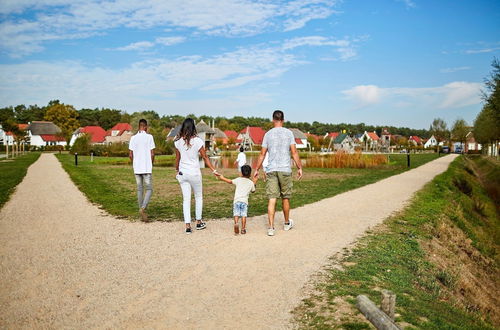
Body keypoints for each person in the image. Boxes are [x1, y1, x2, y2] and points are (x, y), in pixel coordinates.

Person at [254, 110, 303, 236]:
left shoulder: (268, 134)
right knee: (285, 198)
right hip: (285, 169)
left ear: (273, 120)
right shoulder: (289, 133)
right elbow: (294, 152)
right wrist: (299, 167)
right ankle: (287, 224)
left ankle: (271, 228)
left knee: (272, 199)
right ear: (283, 120)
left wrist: (256, 169)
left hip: (271, 170)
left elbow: (262, 154)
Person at [174, 118, 220, 234]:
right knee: (198, 197)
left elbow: (177, 159)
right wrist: (213, 170)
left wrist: (176, 170)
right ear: (193, 127)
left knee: (186, 199)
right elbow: (205, 157)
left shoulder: (178, 142)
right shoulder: (198, 141)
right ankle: (199, 223)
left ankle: (188, 227)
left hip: (183, 174)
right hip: (194, 173)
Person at [217, 165, 258, 235]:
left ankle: (236, 223)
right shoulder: (251, 182)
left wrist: (222, 178)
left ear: (241, 173)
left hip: (236, 201)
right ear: (250, 173)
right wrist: (254, 182)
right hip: (244, 202)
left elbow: (230, 181)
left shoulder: (238, 179)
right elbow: (253, 191)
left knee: (236, 214)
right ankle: (243, 229)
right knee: (243, 215)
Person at [129, 119, 155, 222]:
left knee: (140, 189)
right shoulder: (149, 137)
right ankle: (143, 208)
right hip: (146, 167)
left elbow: (130, 155)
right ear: (145, 127)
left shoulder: (133, 138)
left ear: (139, 126)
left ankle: (141, 211)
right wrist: (151, 164)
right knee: (149, 189)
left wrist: (135, 163)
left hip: (137, 168)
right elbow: (152, 153)